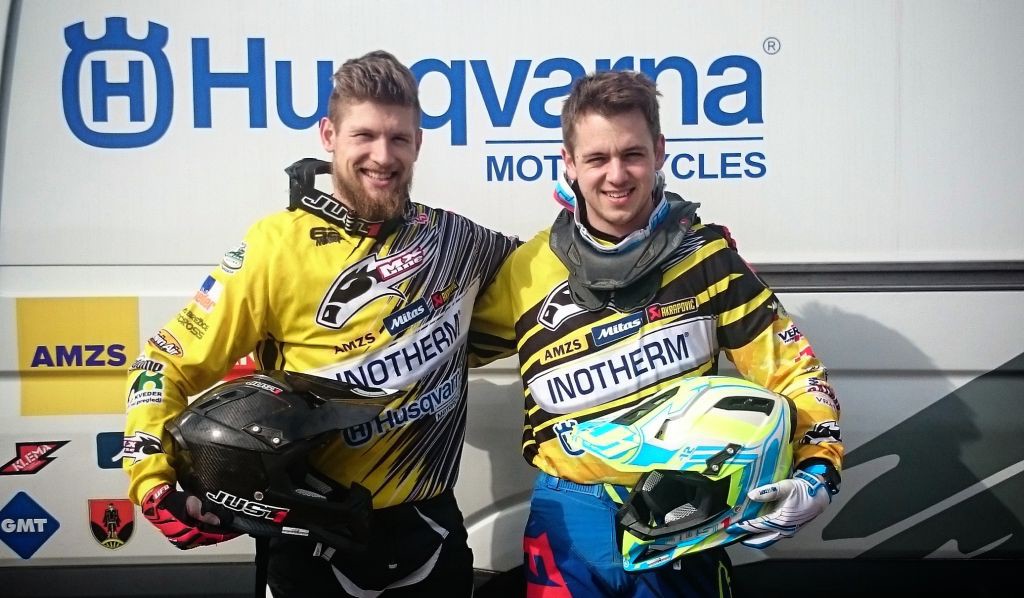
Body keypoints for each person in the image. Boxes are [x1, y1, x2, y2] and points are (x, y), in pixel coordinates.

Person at [123, 50, 518, 597]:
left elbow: (550, 283)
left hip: (428, 532)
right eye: (364, 136)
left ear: (419, 143)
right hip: (308, 538)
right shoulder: (274, 246)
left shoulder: (459, 241)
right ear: (329, 135)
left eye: (399, 138)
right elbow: (164, 361)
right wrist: (151, 477)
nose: (383, 156)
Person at [471, 70, 844, 596]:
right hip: (568, 516)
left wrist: (817, 471)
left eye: (633, 154)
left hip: (683, 512)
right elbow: (440, 352)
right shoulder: (527, 269)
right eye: (597, 158)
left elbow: (794, 371)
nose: (616, 175)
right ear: (569, 163)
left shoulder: (707, 259)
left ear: (660, 152)